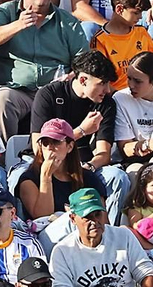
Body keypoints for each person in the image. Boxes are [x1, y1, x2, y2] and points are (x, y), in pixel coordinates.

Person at [0, 0, 88, 137]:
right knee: (3, 101)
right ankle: (5, 160)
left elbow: (84, 60)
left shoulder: (67, 21)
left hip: (54, 90)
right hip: (16, 90)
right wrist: (18, 25)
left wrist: (72, 75)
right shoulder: (7, 12)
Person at [50, 187, 153, 287]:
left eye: (98, 214)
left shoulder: (124, 236)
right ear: (73, 219)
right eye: (87, 217)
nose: (95, 221)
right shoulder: (63, 250)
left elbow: (147, 273)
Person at [28, 50, 128, 218]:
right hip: (44, 160)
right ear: (83, 80)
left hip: (82, 162)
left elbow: (104, 153)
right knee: (18, 177)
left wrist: (89, 166)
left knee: (117, 177)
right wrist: (81, 131)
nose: (107, 89)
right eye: (102, 83)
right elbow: (39, 146)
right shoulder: (49, 94)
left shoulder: (106, 104)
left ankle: (106, 230)